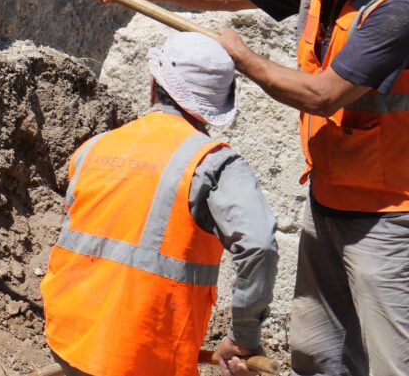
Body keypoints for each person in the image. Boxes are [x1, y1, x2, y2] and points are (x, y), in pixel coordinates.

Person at [83, 0, 409, 376]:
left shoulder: (395, 11)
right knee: (318, 351)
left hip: (389, 219)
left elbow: (323, 96)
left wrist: (243, 57)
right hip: (327, 201)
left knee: (393, 360)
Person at [42, 32, 278, 376]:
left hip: (68, 334)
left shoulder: (94, 148)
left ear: (154, 83)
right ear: (215, 107)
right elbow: (259, 246)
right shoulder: (211, 164)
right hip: (147, 354)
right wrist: (243, 339)